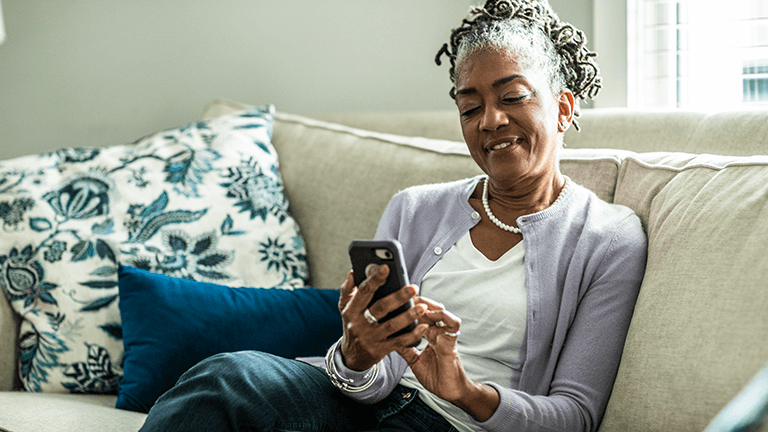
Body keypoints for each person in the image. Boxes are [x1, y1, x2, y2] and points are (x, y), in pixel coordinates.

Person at [138, 1, 647, 431]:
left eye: (512, 97)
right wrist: (356, 355)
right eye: (470, 108)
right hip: (363, 406)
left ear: (562, 109)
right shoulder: (415, 207)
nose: (490, 120)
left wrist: (464, 390)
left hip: (454, 424)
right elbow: (372, 379)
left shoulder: (608, 237)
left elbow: (574, 415)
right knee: (227, 378)